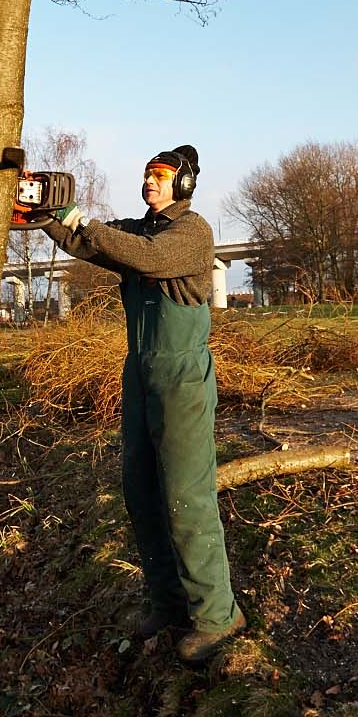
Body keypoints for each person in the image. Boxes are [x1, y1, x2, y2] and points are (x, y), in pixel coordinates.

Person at [41, 144, 245, 664]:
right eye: (147, 175)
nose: (150, 183)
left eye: (159, 176)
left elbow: (146, 258)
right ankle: (168, 602)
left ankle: (218, 616)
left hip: (180, 377)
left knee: (186, 495)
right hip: (140, 373)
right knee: (140, 488)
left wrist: (84, 221)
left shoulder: (189, 232)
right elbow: (95, 246)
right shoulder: (141, 229)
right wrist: (45, 214)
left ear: (183, 184)